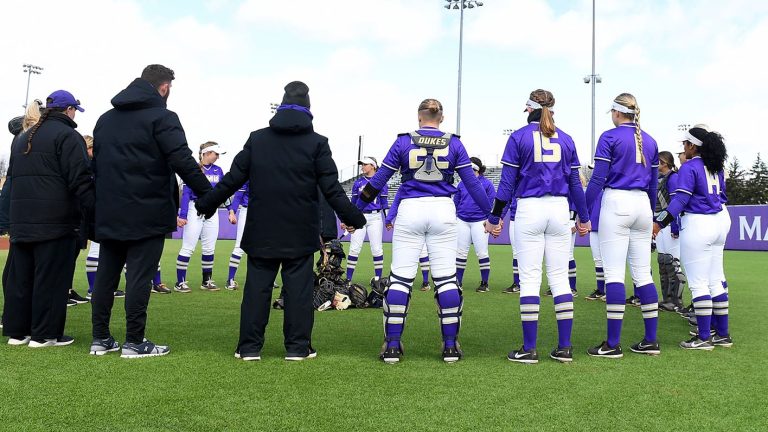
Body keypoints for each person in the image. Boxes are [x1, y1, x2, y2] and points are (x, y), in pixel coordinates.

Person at [194, 81, 366, 361]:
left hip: (262, 229)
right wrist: (353, 217)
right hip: (299, 230)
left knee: (256, 290)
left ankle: (249, 347)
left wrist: (206, 203)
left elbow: (233, 179)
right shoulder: (317, 143)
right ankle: (298, 348)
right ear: (309, 109)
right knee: (298, 291)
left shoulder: (257, 138)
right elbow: (332, 189)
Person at [356, 98, 491, 364]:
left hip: (410, 210)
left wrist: (355, 210)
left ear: (419, 118)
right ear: (441, 118)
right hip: (443, 210)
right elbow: (473, 186)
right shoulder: (454, 142)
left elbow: (378, 180)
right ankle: (450, 347)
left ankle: (393, 346)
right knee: (446, 279)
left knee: (401, 279)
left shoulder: (404, 141)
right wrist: (493, 216)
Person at [90, 64, 212, 358]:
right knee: (140, 277)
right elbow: (182, 160)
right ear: (164, 87)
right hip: (147, 210)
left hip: (109, 209)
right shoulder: (163, 117)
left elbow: (95, 167)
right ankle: (134, 341)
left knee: (107, 275)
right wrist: (209, 194)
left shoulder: (105, 120)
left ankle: (100, 339)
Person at [487, 89, 589, 364]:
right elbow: (574, 184)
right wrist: (584, 216)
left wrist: (495, 218)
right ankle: (564, 347)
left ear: (528, 108)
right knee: (560, 278)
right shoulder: (566, 139)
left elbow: (507, 184)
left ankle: (529, 349)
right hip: (559, 211)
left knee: (530, 279)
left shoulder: (518, 136)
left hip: (530, 209)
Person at [3, 90, 94, 347]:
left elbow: (12, 180)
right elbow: (80, 179)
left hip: (22, 220)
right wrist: (93, 210)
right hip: (56, 221)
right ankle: (45, 335)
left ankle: (18, 333)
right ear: (69, 110)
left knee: (21, 278)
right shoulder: (68, 136)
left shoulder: (22, 138)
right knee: (51, 278)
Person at [584, 93, 660, 358]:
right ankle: (651, 340)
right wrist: (651, 216)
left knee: (614, 273)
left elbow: (597, 180)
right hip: (642, 206)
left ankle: (613, 344)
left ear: (617, 112)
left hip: (617, 202)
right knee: (643, 274)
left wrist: (581, 210)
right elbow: (653, 185)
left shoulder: (610, 136)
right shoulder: (650, 140)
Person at [653, 126, 732, 349]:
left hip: (699, 223)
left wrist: (659, 223)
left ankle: (704, 337)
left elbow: (679, 202)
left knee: (699, 284)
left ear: (693, 146)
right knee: (716, 280)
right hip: (718, 221)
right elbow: (723, 196)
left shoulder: (689, 167)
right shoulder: (716, 166)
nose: (683, 148)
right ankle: (722, 334)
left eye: (685, 144)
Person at [175, 141, 225, 292]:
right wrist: (183, 215)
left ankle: (207, 280)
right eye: (215, 154)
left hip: (213, 210)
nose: (217, 157)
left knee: (209, 248)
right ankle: (180, 282)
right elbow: (186, 194)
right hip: (194, 208)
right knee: (188, 247)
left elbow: (223, 191)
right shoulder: (193, 169)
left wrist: (230, 209)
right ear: (206, 153)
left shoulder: (218, 171)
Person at [344, 157, 387, 285]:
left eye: (365, 164)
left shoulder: (381, 183)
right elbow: (352, 203)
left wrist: (389, 219)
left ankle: (378, 280)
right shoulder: (358, 183)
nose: (362, 166)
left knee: (377, 249)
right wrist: (347, 219)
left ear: (373, 166)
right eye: (362, 164)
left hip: (375, 217)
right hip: (359, 216)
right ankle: (348, 280)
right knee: (354, 249)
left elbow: (384, 203)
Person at [454, 157, 494, 292]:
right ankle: (458, 282)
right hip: (462, 220)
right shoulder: (461, 184)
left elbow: (490, 203)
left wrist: (490, 220)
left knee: (482, 253)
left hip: (480, 221)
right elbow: (456, 202)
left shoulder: (487, 184)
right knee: (460, 253)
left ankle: (485, 283)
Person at [384, 187, 432, 291]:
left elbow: (396, 203)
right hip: (427, 219)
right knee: (422, 251)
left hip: (410, 220)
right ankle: (425, 282)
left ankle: (402, 281)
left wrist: (388, 219)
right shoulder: (431, 184)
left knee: (404, 251)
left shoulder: (405, 186)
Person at [655, 151, 686, 312]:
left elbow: (676, 203)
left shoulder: (673, 178)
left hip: (669, 224)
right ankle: (666, 299)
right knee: (663, 261)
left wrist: (675, 226)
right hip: (660, 225)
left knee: (673, 262)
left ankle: (676, 301)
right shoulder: (659, 178)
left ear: (664, 162)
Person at [501, 199, 521, 294]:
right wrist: (500, 217)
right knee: (516, 253)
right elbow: (506, 200)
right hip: (514, 218)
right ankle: (517, 283)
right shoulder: (513, 184)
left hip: (531, 217)